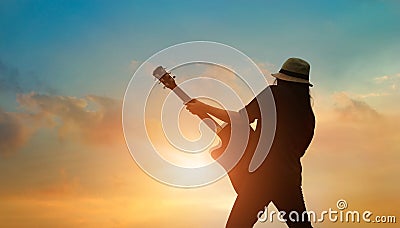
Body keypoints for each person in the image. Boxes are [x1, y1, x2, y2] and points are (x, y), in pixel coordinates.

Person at [186, 58, 315, 228]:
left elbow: (241, 118)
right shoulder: (308, 115)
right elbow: (299, 151)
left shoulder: (274, 94)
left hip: (262, 176)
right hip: (289, 178)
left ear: (281, 78)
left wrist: (204, 107)